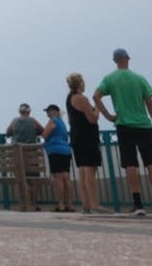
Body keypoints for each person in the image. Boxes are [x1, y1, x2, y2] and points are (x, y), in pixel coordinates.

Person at [93, 48, 152, 216]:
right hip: (143, 125)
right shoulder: (139, 79)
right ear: (128, 58)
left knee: (131, 164)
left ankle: (138, 204)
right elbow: (150, 103)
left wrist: (109, 116)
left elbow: (96, 96)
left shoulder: (110, 78)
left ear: (114, 60)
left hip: (123, 125)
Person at [66, 73, 108, 214]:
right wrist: (97, 107)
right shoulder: (82, 98)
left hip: (76, 137)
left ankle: (86, 204)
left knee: (82, 170)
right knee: (90, 169)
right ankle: (95, 204)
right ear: (80, 83)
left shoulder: (69, 98)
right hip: (87, 137)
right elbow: (93, 119)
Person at [41, 104, 74, 212]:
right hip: (66, 150)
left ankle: (60, 205)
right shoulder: (62, 122)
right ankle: (70, 205)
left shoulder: (53, 121)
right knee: (66, 177)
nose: (47, 113)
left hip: (55, 151)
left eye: (48, 111)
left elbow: (45, 135)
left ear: (54, 111)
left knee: (58, 178)